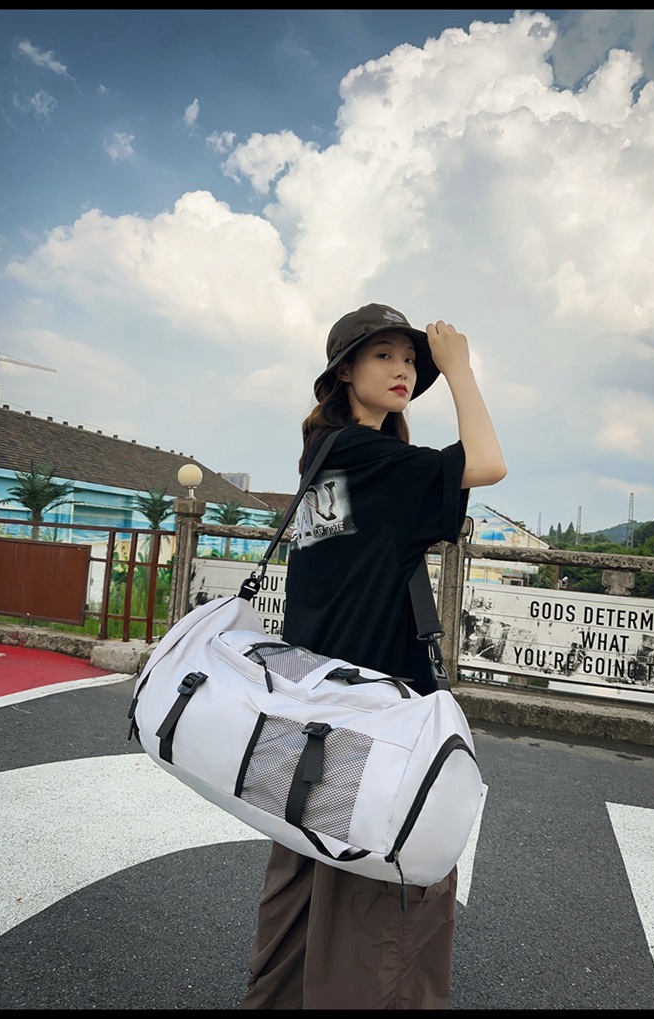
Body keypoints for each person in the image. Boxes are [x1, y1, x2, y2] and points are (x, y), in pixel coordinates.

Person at [240, 302, 506, 1010]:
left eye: (411, 360)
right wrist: (459, 370)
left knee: (308, 865)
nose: (404, 369)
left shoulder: (326, 456)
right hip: (375, 707)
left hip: (318, 699)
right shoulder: (367, 456)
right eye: (384, 355)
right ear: (344, 371)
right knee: (389, 884)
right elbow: (488, 463)